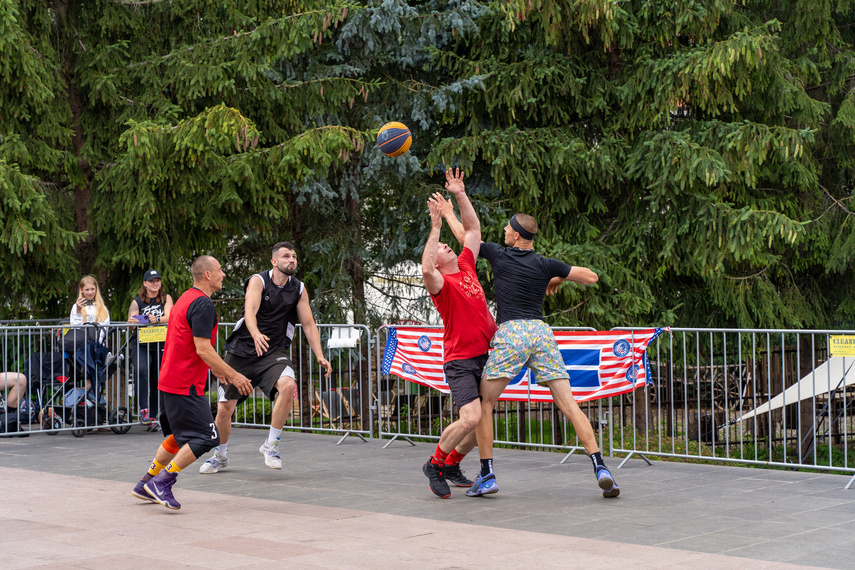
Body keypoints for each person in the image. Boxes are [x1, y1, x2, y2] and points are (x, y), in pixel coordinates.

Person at [441, 209, 618, 498]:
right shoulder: (546, 264)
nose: (504, 230)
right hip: (540, 333)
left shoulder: (499, 254)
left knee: (484, 404)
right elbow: (591, 277)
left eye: (507, 229)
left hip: (512, 333)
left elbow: (465, 237)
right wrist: (560, 277)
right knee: (569, 404)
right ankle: (601, 466)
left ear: (517, 236)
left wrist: (449, 213)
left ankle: (486, 474)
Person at [198, 241, 332, 475]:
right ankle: (220, 455)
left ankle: (271, 446)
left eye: (294, 256)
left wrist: (320, 355)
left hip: (273, 350)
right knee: (224, 410)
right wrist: (256, 332)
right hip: (242, 350)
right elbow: (250, 310)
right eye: (286, 256)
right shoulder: (258, 281)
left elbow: (309, 324)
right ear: (274, 261)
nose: (292, 260)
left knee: (289, 386)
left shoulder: (298, 288)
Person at [131, 255, 252, 510]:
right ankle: (163, 482)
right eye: (220, 270)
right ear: (207, 274)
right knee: (208, 437)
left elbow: (188, 344)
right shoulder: (203, 305)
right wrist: (234, 374)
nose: (223, 275)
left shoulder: (185, 298)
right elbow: (203, 349)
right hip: (185, 384)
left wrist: (216, 370)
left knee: (178, 436)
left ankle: (146, 482)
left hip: (170, 380)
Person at [420, 168, 497, 498]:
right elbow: (425, 269)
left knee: (480, 419)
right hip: (461, 359)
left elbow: (474, 230)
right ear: (437, 261)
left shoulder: (466, 265)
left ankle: (452, 464)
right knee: (470, 417)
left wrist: (459, 194)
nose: (448, 247)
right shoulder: (440, 282)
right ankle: (435, 464)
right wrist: (435, 228)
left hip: (485, 354)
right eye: (442, 247)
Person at [127, 269, 173, 428]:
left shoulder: (166, 298)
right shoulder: (137, 301)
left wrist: (157, 319)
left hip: (160, 344)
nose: (155, 283)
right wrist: (132, 323)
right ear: (145, 283)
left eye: (157, 280)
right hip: (141, 344)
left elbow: (170, 316)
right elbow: (130, 323)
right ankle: (143, 409)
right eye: (151, 281)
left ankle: (153, 415)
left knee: (157, 379)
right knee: (141, 370)